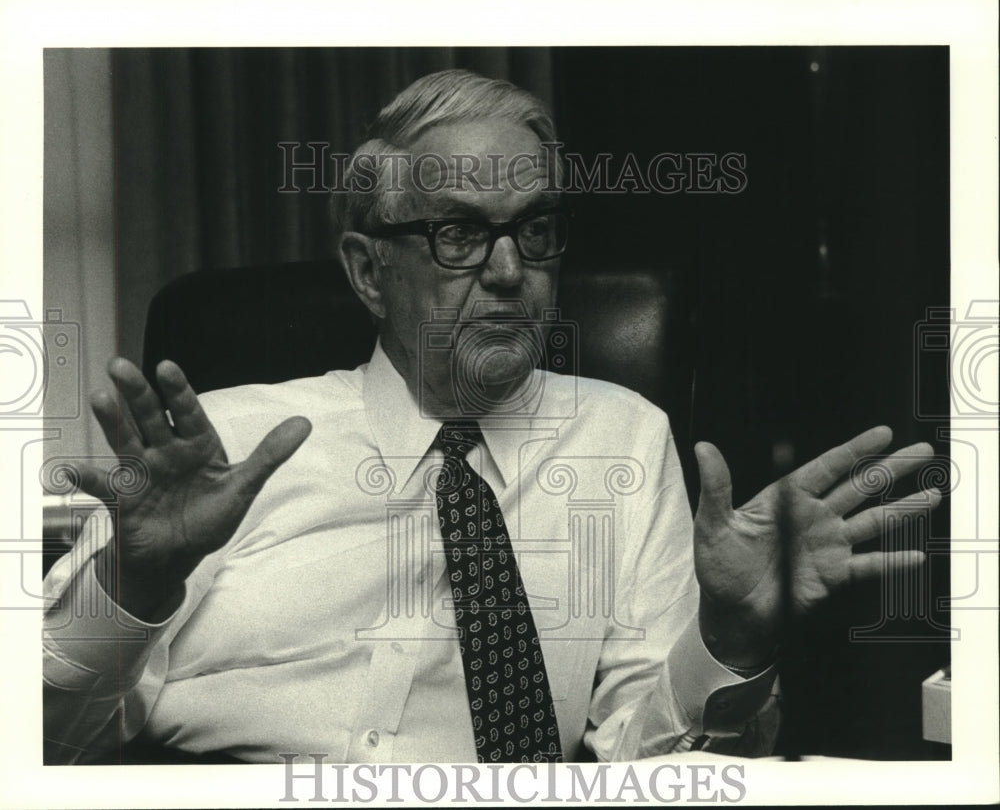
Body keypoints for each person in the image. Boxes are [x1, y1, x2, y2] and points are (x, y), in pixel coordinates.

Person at [43, 69, 938, 765]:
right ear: (367, 272)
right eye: (459, 234)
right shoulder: (227, 447)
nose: (511, 269)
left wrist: (729, 639)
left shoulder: (622, 440)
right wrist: (133, 584)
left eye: (536, 228)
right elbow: (42, 744)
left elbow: (654, 770)